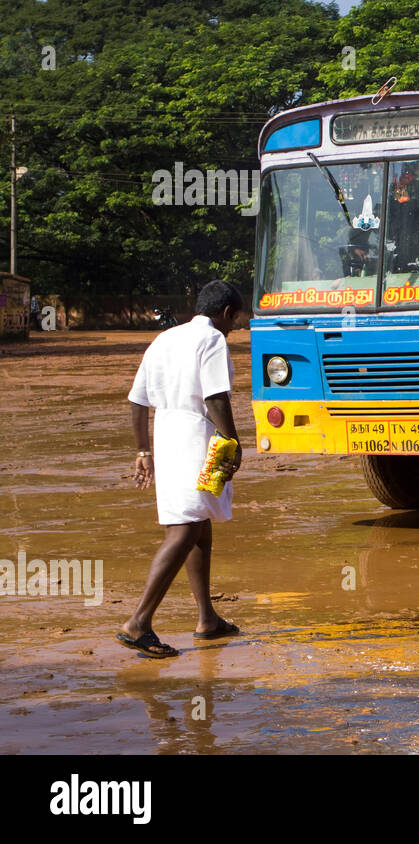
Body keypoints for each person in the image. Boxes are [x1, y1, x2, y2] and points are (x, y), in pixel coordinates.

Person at [119, 281, 245, 658]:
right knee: (186, 526)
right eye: (235, 320)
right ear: (225, 313)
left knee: (198, 523)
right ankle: (138, 623)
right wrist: (232, 442)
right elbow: (215, 397)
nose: (235, 328)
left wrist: (143, 449)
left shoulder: (164, 339)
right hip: (196, 435)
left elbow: (137, 400)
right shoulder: (212, 340)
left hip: (166, 434)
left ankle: (207, 618)